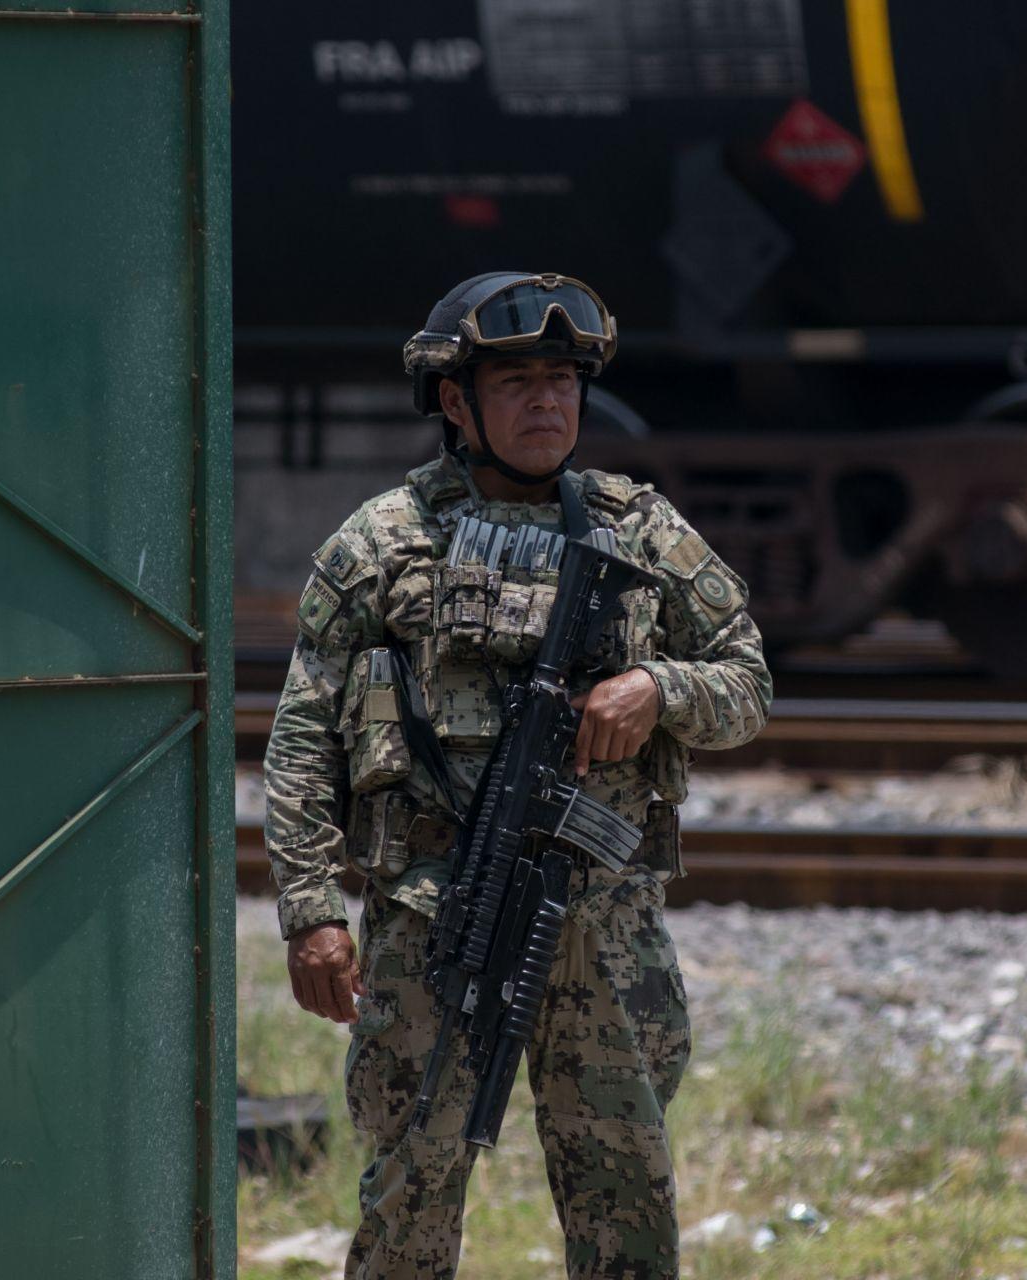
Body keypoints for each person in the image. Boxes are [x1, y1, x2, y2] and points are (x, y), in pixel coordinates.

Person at [263, 271, 772, 1279]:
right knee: (411, 1182)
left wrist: (656, 688)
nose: (548, 403)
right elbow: (301, 735)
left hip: (604, 919)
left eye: (562, 380)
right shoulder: (380, 543)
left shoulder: (642, 530)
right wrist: (311, 909)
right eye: (518, 383)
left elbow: (747, 680)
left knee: (624, 1187)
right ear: (457, 402)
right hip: (435, 916)